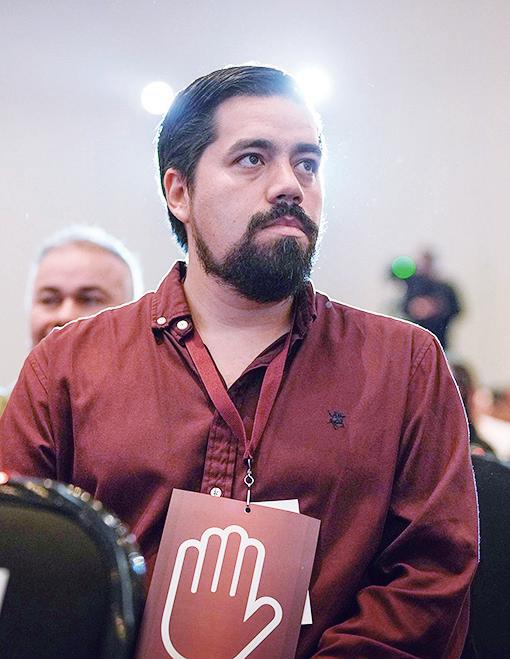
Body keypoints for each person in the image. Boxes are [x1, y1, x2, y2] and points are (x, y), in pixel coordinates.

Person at [0, 66, 478, 657]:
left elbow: (430, 576)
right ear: (179, 192)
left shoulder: (405, 366)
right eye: (253, 159)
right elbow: (24, 563)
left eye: (307, 163)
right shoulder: (67, 366)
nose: (290, 185)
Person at [0, 225, 143, 414]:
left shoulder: (163, 418)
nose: (65, 316)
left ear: (133, 318)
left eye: (89, 299)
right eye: (49, 300)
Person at [398, 250, 461, 350]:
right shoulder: (414, 286)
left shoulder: (445, 287)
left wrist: (437, 307)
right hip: (415, 342)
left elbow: (457, 309)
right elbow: (403, 308)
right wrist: (414, 308)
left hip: (440, 340)